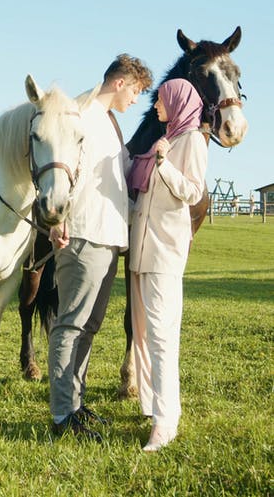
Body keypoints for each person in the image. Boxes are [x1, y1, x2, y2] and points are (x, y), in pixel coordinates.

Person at [48, 53, 153, 441]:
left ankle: (76, 405)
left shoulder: (109, 122)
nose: (135, 100)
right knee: (71, 324)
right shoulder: (80, 113)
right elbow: (59, 169)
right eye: (136, 91)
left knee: (89, 326)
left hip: (108, 237)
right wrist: (57, 218)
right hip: (83, 233)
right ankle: (62, 416)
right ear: (120, 82)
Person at [128, 78, 208, 452]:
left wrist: (163, 164)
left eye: (161, 100)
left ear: (177, 102)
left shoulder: (191, 140)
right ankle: (150, 405)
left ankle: (166, 420)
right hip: (140, 253)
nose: (157, 106)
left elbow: (192, 191)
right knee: (142, 335)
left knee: (161, 335)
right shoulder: (167, 137)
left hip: (164, 253)